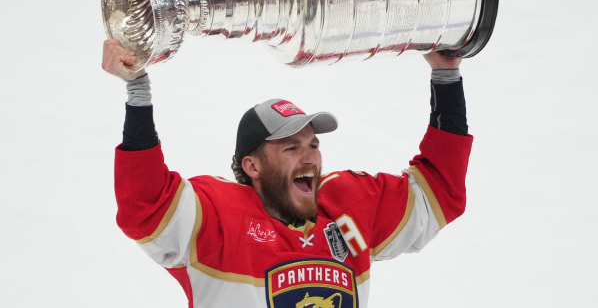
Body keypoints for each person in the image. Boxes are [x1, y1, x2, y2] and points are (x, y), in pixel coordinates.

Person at [102, 38, 473, 308]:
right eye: (291, 148)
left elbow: (437, 192)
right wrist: (138, 91)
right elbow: (145, 204)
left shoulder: (349, 208)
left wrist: (446, 76)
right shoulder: (215, 220)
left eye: (313, 145)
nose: (309, 157)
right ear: (252, 166)